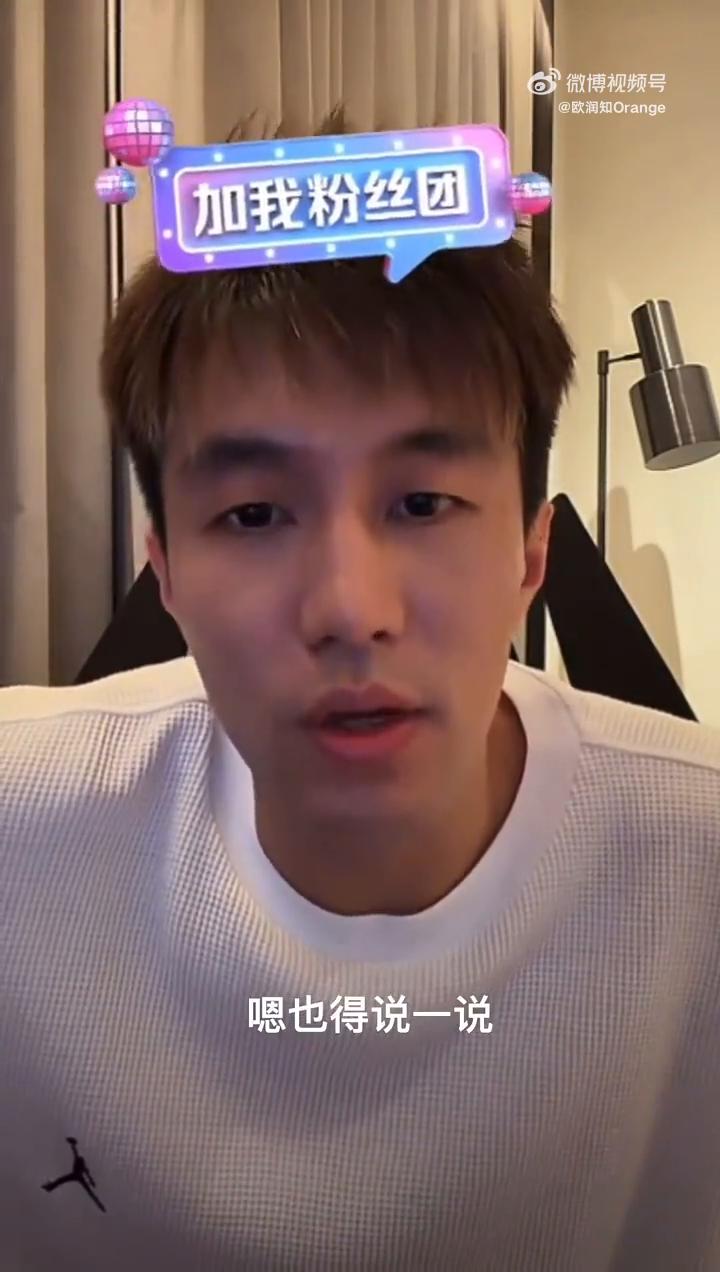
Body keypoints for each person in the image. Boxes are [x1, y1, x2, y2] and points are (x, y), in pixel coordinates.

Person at [1, 113, 719, 1272]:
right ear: (163, 568)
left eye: (423, 503)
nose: (350, 607)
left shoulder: (695, 862)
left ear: (532, 550)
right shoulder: (23, 828)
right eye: (254, 514)